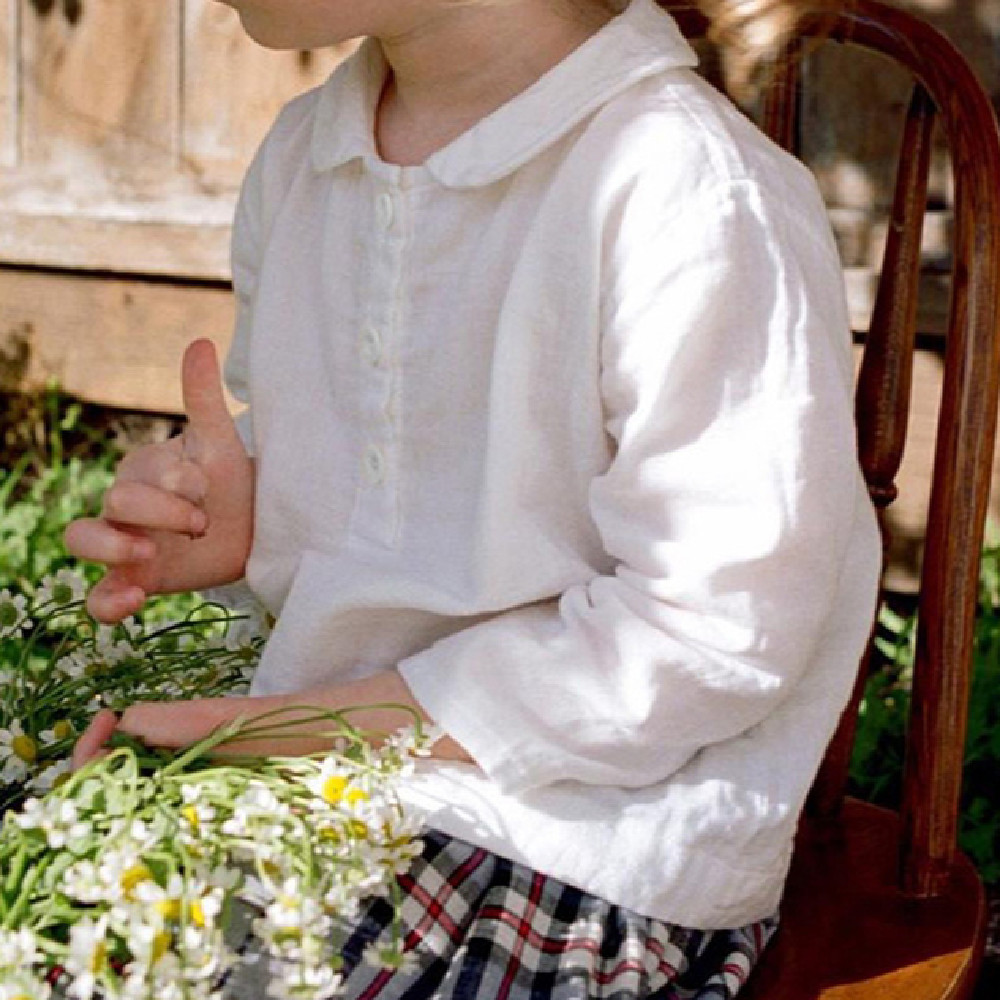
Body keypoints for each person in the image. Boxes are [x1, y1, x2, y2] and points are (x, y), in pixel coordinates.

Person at [65, 0, 882, 996]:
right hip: (326, 769)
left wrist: (272, 728)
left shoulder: (688, 190)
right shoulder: (306, 152)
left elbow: (709, 637)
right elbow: (382, 457)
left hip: (569, 836)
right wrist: (241, 514)